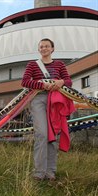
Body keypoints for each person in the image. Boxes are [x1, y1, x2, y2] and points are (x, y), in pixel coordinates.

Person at [21, 38, 72, 181]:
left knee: (52, 135)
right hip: (38, 99)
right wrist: (42, 84)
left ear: (52, 49)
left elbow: (68, 81)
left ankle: (50, 172)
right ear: (39, 49)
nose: (44, 48)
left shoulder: (60, 64)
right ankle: (39, 172)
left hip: (55, 101)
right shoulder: (32, 65)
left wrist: (61, 82)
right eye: (41, 46)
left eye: (47, 46)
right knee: (42, 134)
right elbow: (24, 81)